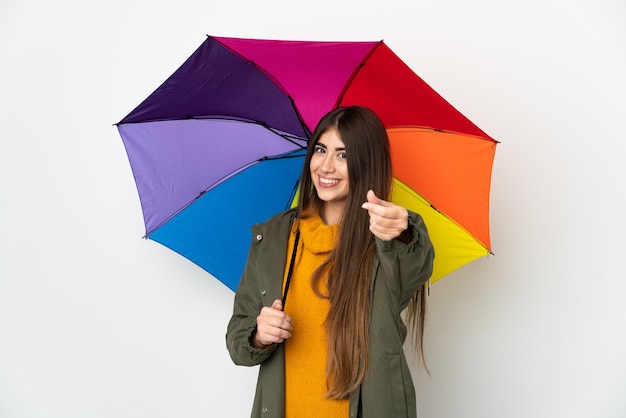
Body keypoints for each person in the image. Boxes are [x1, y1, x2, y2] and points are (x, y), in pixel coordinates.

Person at [226, 106, 435, 417]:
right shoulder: (274, 236)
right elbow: (237, 341)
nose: (326, 166)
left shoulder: (386, 238)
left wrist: (404, 230)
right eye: (321, 150)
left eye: (343, 155)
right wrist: (258, 334)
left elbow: (413, 266)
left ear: (367, 163)